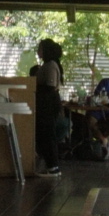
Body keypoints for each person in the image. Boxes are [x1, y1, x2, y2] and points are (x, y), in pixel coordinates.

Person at [33, 39, 68, 178]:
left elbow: (50, 86)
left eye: (40, 48)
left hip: (48, 103)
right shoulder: (46, 65)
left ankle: (53, 167)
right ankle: (49, 165)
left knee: (48, 134)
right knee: (44, 134)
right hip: (45, 103)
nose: (38, 51)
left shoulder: (51, 65)